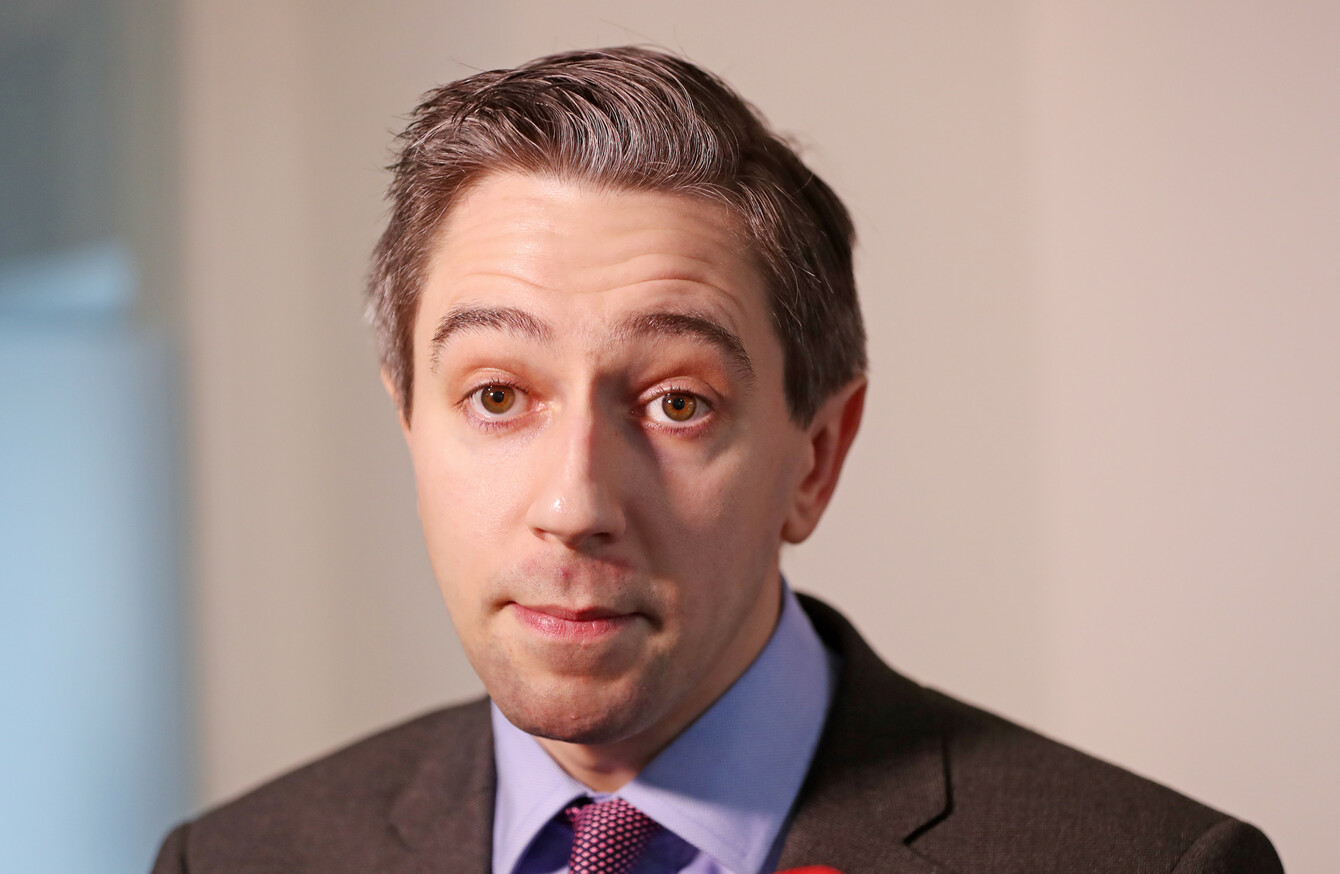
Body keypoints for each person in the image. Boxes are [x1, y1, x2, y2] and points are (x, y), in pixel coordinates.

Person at [152, 47, 1283, 874]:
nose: (574, 502)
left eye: (677, 403)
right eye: (497, 396)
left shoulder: (1149, 864)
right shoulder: (237, 859)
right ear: (410, 424)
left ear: (815, 458)